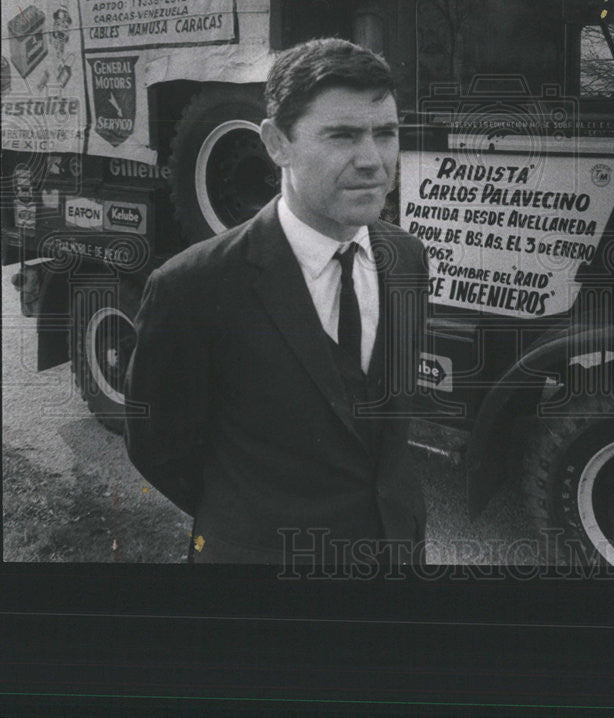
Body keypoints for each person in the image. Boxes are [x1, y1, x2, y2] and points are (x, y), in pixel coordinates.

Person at [125, 38, 428, 568]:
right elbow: (159, 447)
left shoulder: (407, 258)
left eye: (386, 134)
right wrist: (252, 525)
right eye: (342, 136)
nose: (373, 160)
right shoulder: (192, 287)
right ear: (276, 143)